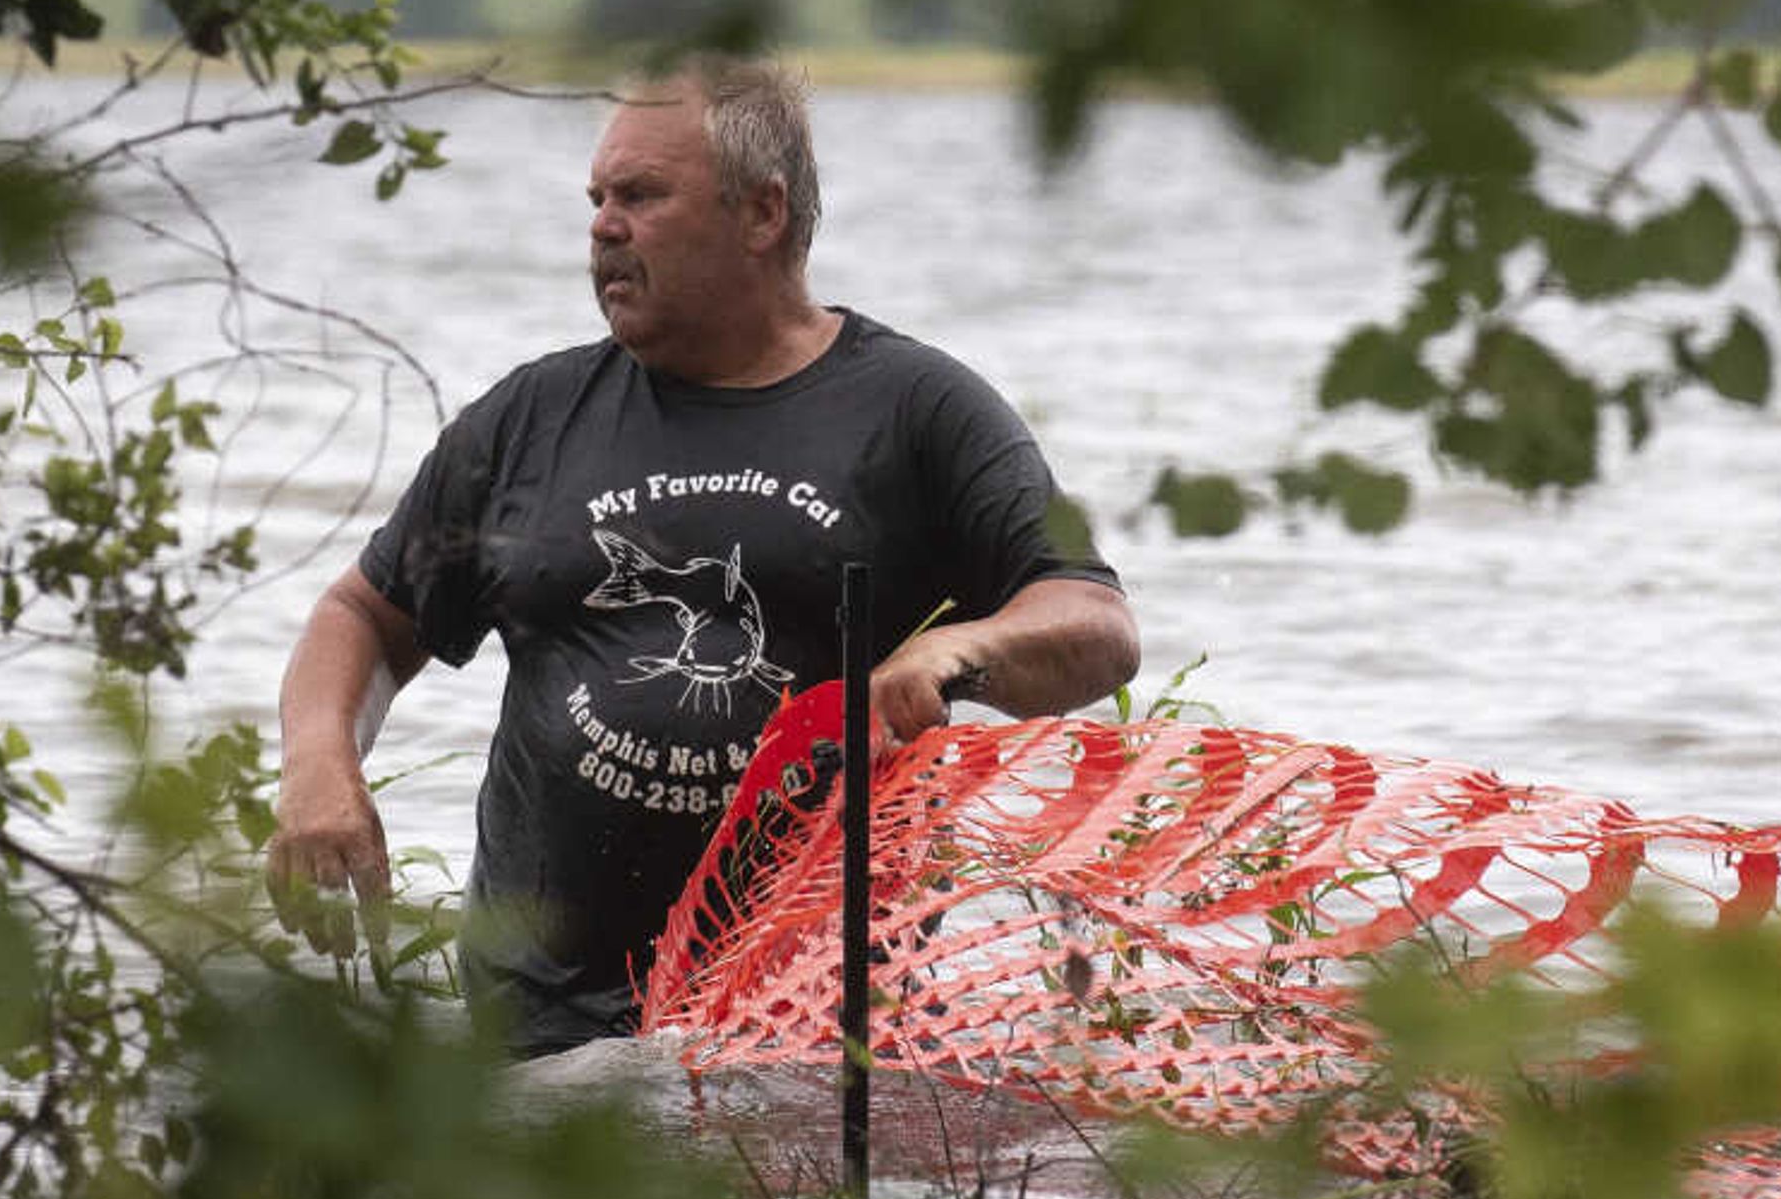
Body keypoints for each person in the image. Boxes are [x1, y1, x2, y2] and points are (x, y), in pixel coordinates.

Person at [266, 57, 1140, 1052]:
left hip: (812, 1043)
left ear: (761, 214)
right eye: (597, 198)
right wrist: (320, 762)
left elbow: (1095, 626)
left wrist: (953, 655)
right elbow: (365, 616)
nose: (602, 225)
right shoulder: (531, 417)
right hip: (537, 1046)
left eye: (640, 196)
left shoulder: (918, 412)